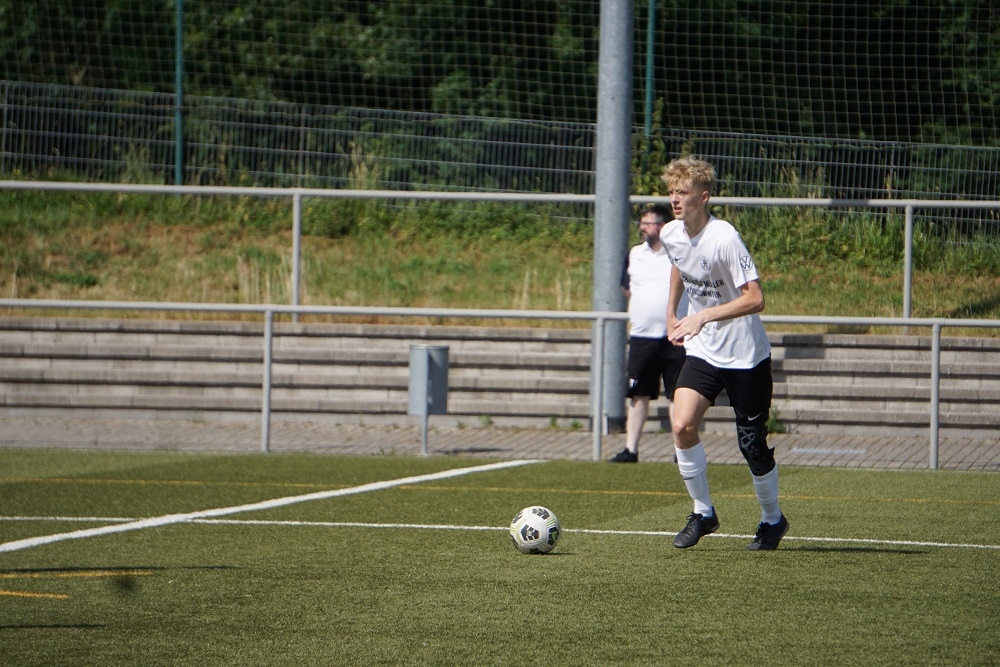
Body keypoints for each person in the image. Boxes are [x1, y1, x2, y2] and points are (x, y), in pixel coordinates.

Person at [660, 157, 789, 551]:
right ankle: (703, 513)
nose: (675, 199)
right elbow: (679, 265)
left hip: (746, 356)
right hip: (703, 351)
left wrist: (705, 315)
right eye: (671, 192)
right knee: (682, 425)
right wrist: (672, 314)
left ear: (703, 197)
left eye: (682, 192)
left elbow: (756, 298)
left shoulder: (725, 237)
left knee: (752, 446)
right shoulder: (670, 233)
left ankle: (772, 520)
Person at [608, 204, 687, 463]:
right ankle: (631, 449)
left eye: (647, 223)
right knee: (637, 393)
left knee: (677, 394)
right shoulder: (635, 253)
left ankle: (681, 451)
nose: (642, 227)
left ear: (662, 227)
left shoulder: (680, 253)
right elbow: (626, 287)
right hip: (642, 338)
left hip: (675, 337)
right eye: (642, 223)